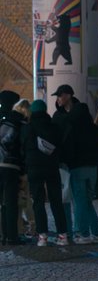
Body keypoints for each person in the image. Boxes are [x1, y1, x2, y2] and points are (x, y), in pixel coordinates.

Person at [52, 83, 98, 244]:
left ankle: (83, 234)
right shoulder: (88, 121)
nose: (58, 99)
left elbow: (66, 142)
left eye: (60, 95)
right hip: (92, 165)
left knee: (79, 200)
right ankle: (96, 234)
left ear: (68, 96)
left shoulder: (69, 122)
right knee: (86, 201)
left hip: (76, 165)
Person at [22, 99, 69, 247]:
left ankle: (42, 236)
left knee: (38, 201)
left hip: (34, 168)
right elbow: (61, 146)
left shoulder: (28, 128)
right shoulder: (54, 127)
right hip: (51, 167)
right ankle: (63, 235)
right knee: (56, 201)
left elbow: (23, 147)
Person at [0, 89, 25, 246]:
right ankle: (12, 237)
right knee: (11, 202)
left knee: (2, 203)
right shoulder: (17, 120)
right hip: (11, 165)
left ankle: (3, 235)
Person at [13, 98, 34, 240]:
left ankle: (20, 229)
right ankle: (33, 226)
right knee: (26, 200)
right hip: (27, 167)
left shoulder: (15, 125)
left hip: (16, 167)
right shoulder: (28, 126)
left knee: (19, 200)